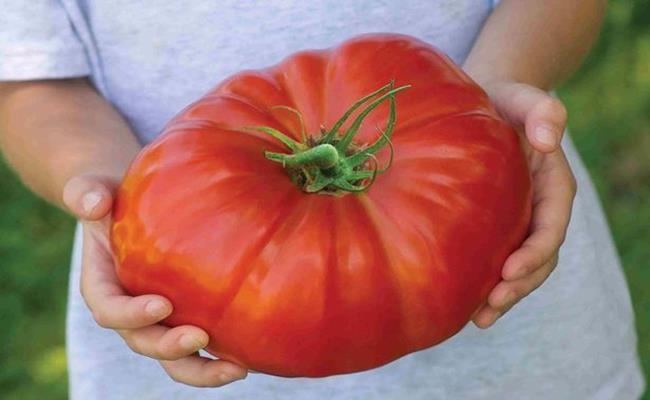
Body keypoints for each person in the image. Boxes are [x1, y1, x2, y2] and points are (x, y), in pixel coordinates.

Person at [0, 0, 644, 399]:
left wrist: (498, 88)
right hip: (175, 316)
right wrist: (110, 191)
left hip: (521, 338)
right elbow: (27, 77)